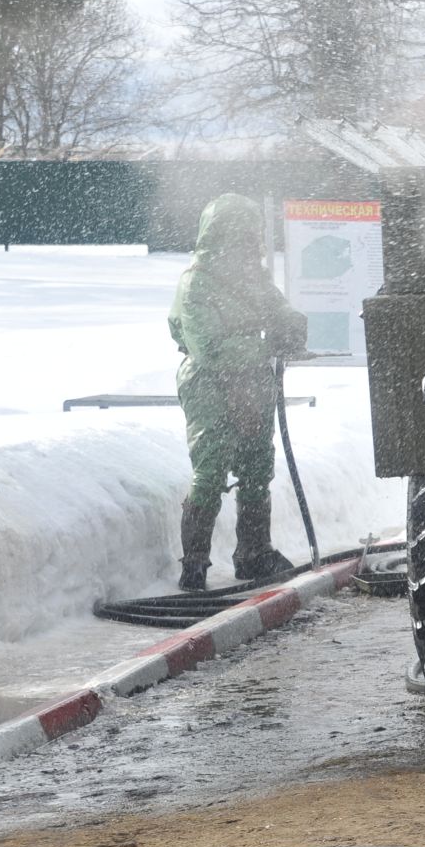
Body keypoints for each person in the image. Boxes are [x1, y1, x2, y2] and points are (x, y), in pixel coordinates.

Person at [168, 193, 308, 591]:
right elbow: (208, 347)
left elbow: (276, 308)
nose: (244, 245)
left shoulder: (254, 278)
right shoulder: (195, 282)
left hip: (252, 382)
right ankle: (194, 562)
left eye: (249, 237)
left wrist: (291, 325)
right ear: (216, 236)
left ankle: (254, 552)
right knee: (210, 469)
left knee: (256, 465)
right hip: (208, 385)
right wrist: (264, 345)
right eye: (236, 236)